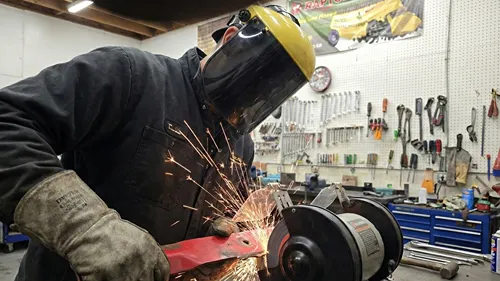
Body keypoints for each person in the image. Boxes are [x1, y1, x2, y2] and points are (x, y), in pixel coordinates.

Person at [0, 4, 315, 281]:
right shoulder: (131, 75)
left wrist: (210, 242)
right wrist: (85, 228)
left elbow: (209, 215)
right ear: (230, 39)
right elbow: (8, 122)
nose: (259, 96)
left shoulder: (241, 145)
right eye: (259, 78)